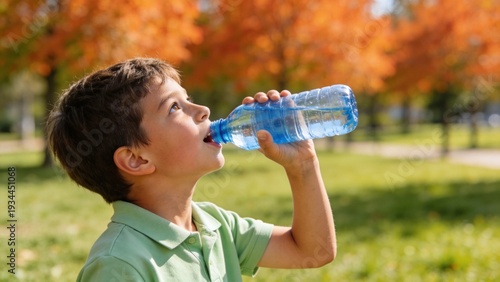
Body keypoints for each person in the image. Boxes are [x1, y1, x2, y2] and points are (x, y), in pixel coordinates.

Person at [46, 58, 336, 281]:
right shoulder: (119, 263)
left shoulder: (215, 224)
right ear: (137, 159)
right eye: (174, 107)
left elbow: (313, 251)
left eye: (188, 98)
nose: (203, 110)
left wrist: (303, 165)